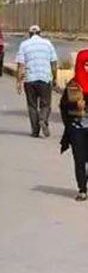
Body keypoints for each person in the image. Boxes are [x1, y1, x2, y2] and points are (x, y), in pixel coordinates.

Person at [16, 25, 58, 138]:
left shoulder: (24, 45)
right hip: (44, 78)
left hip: (30, 79)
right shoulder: (48, 44)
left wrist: (18, 82)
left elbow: (21, 65)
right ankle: (43, 119)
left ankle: (35, 131)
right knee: (46, 104)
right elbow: (53, 63)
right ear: (40, 33)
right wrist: (55, 78)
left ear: (29, 34)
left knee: (32, 105)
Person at [59, 49, 88, 201]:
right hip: (77, 128)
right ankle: (82, 189)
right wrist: (74, 105)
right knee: (79, 159)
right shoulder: (73, 85)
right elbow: (63, 106)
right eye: (86, 64)